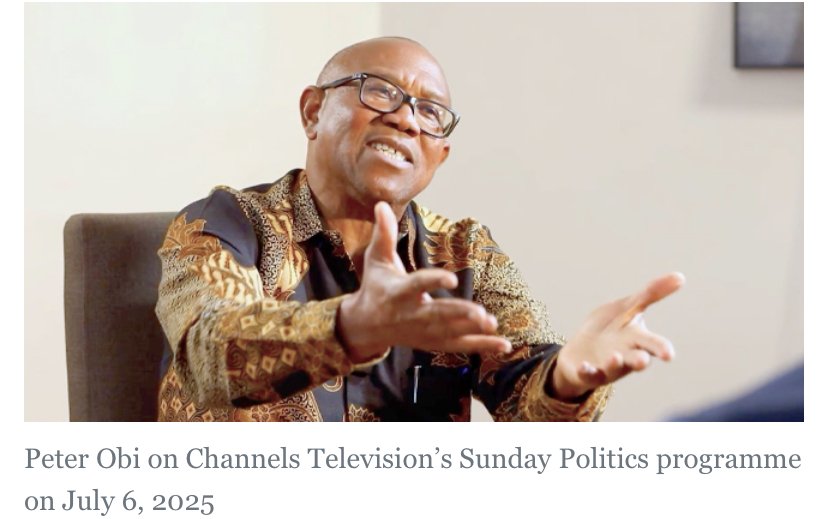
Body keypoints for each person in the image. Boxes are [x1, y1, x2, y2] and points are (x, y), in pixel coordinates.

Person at [155, 36, 683, 422]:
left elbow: (527, 393)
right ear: (313, 111)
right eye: (380, 92)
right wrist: (354, 326)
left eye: (430, 112)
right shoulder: (228, 222)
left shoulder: (466, 254)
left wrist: (567, 379)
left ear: (439, 155)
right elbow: (209, 354)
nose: (407, 120)